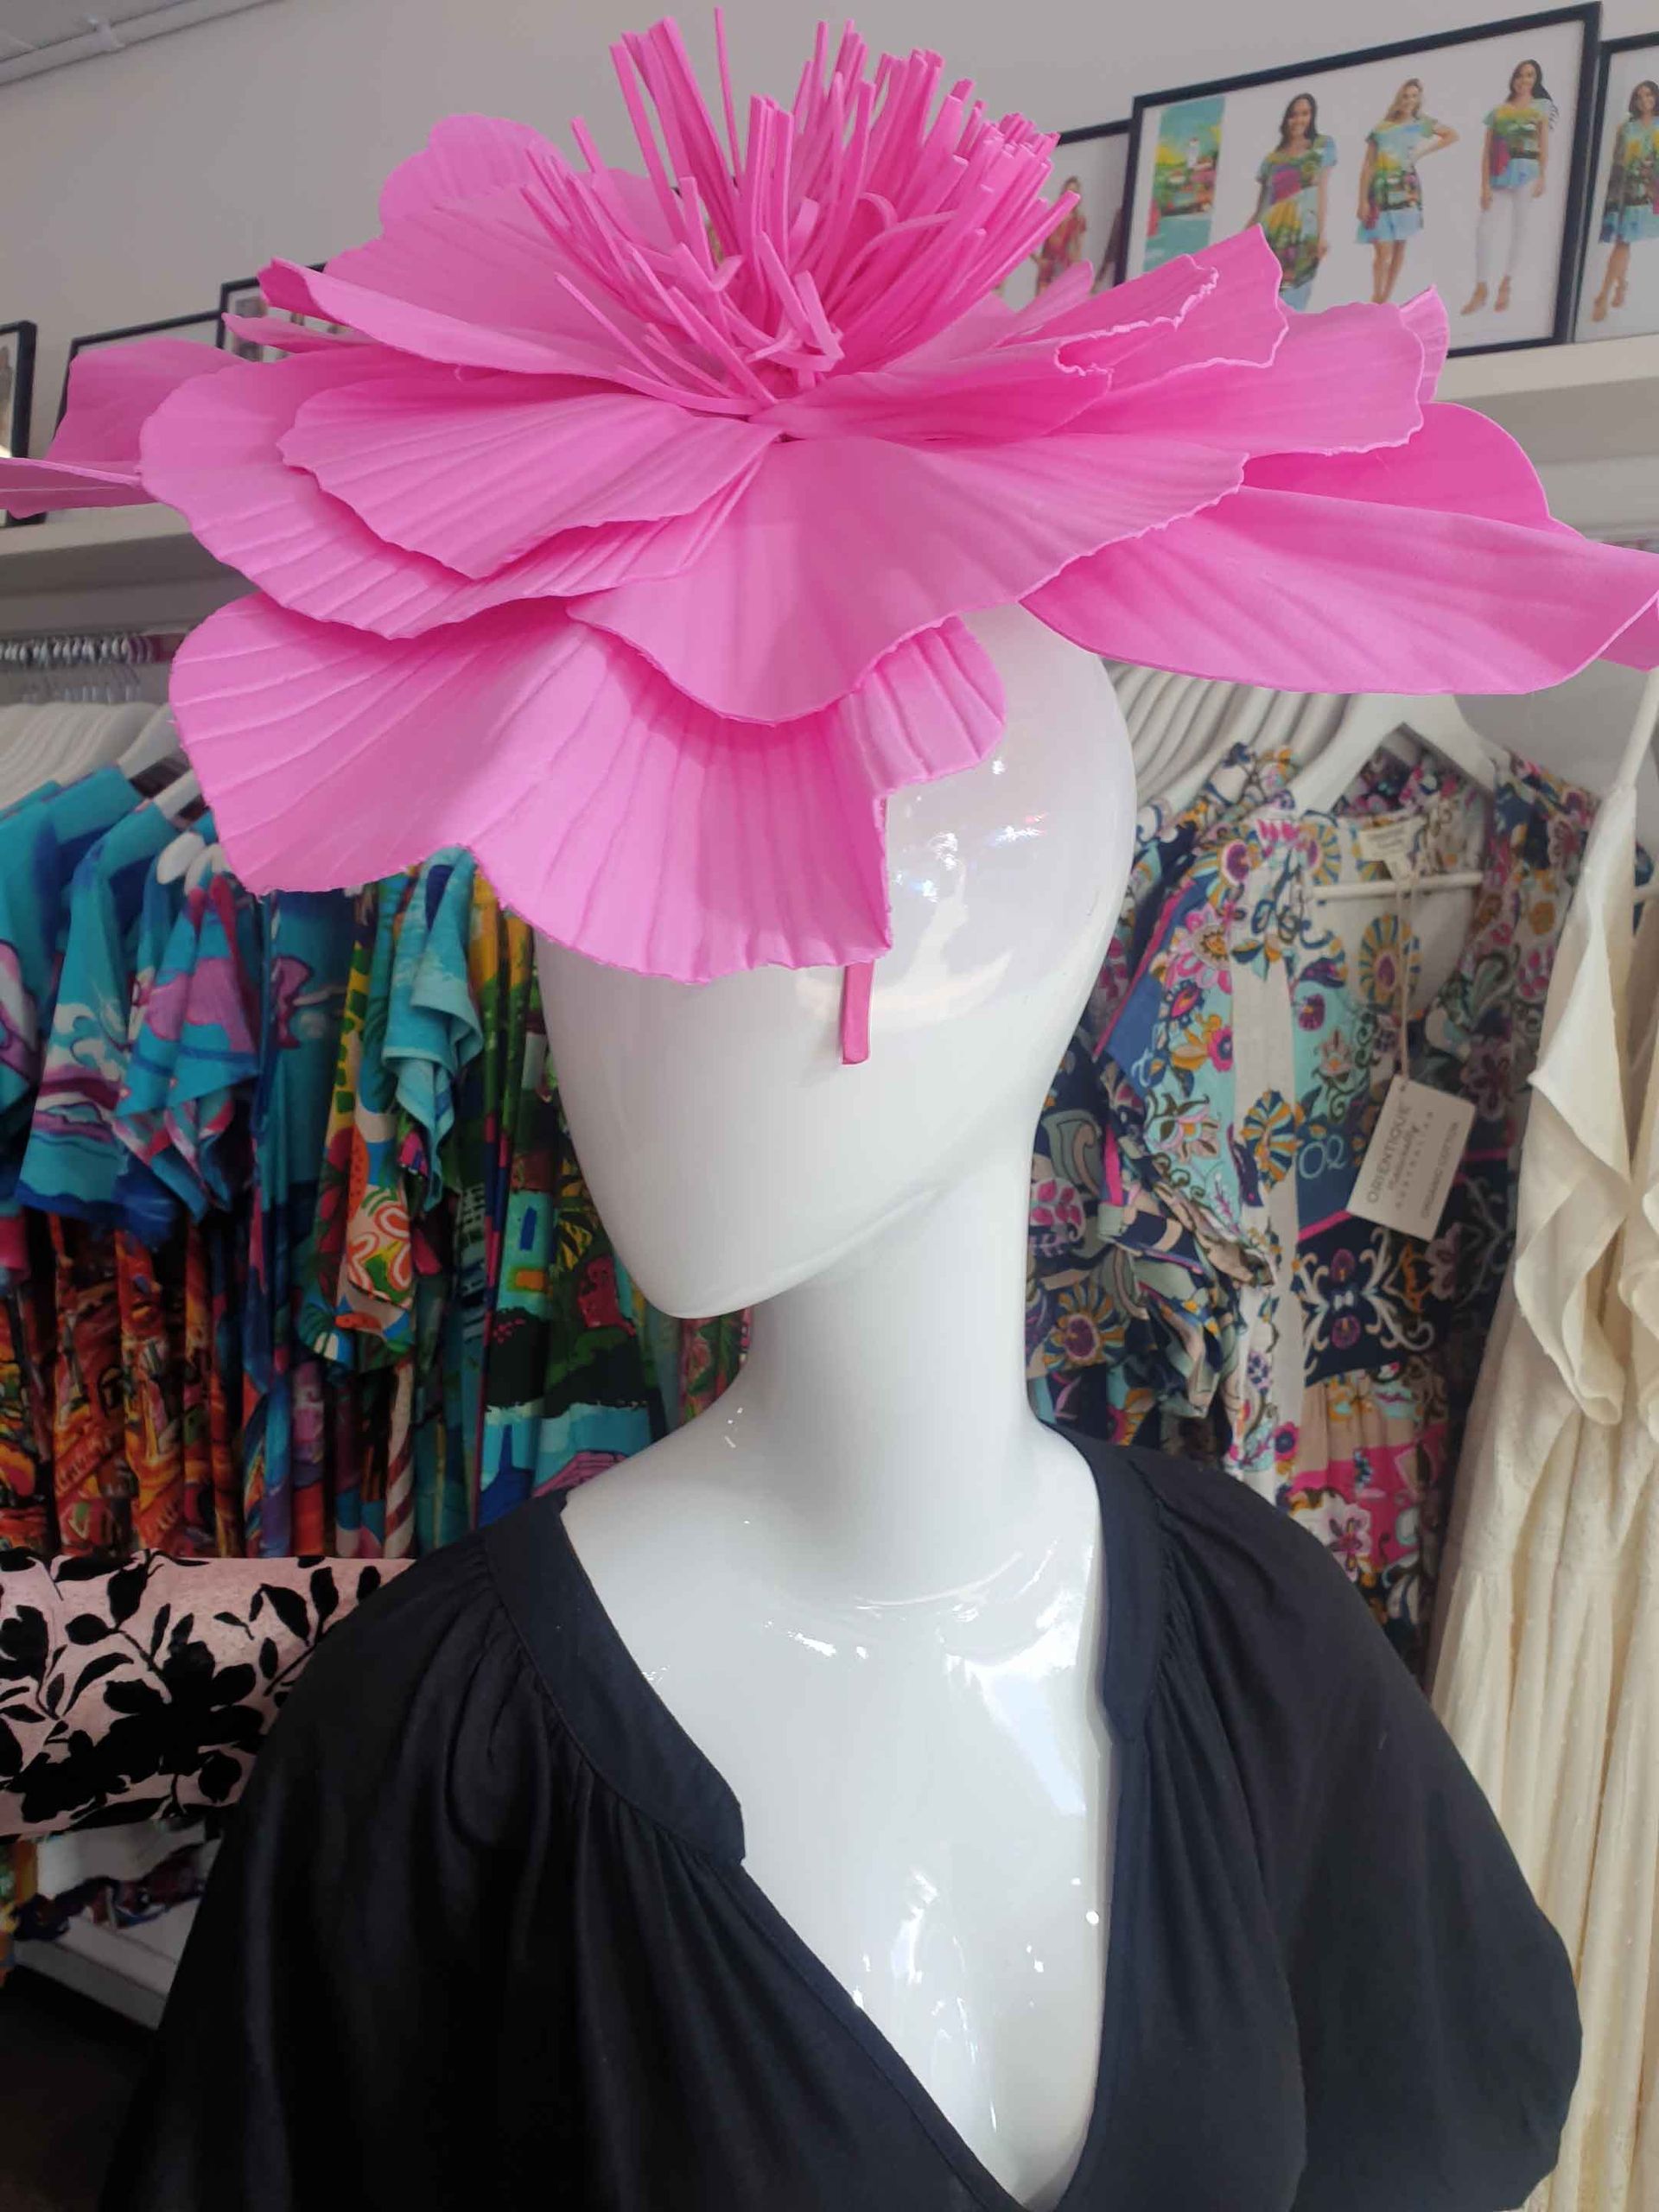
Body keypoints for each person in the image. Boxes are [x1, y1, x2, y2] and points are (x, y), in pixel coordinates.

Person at [1462, 56, 1557, 315]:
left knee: (1520, 228)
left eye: (1529, 75)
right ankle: (1481, 287)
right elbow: (1487, 151)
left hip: (1527, 172)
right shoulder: (1499, 111)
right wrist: (1483, 186)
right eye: (1520, 75)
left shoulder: (1541, 107)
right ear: (1513, 79)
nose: (1523, 80)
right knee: (1485, 230)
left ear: (1535, 80)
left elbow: (1543, 144)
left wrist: (1543, 175)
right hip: (1500, 174)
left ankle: (1507, 282)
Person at [1355, 79, 1458, 302]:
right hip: (1380, 191)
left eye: (1414, 96)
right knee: (1383, 252)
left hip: (1407, 189)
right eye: (1405, 96)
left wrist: (1422, 152)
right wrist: (1362, 200)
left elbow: (1451, 134)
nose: (1409, 100)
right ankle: (1377, 295)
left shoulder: (1421, 123)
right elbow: (1368, 165)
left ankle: (1385, 298)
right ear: (1398, 98)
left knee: (1401, 246)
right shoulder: (1381, 128)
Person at [1246, 92, 1336, 311]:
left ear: (1312, 116)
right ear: (1286, 119)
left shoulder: (1323, 146)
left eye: (1305, 114)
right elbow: (1261, 208)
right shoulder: (1272, 160)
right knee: (1267, 301)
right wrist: (1242, 242)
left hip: (1304, 233)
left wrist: (1322, 235)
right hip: (1273, 235)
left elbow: (1322, 191)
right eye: (1293, 115)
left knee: (1296, 298)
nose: (1299, 120)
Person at [1589, 77, 1659, 322]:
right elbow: (1616, 165)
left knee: (1624, 243)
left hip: (1652, 194)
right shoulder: (1626, 128)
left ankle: (1618, 287)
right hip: (1626, 193)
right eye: (1639, 96)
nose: (1645, 101)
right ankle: (1605, 295)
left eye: (1649, 95)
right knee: (1623, 243)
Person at [1033, 179, 1087, 293]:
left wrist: (1076, 276)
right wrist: (1037, 260)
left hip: (1065, 270)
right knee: (1042, 306)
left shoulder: (1078, 221)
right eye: (1067, 192)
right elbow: (1032, 238)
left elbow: (1078, 250)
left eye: (1074, 192)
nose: (1071, 195)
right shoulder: (1052, 215)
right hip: (1047, 271)